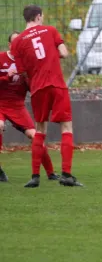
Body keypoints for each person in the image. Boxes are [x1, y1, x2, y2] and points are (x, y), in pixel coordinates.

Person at [10, 5, 81, 187]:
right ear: (39, 16)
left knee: (40, 130)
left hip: (37, 89)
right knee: (66, 127)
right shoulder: (50, 30)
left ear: (26, 19)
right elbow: (64, 52)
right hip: (56, 84)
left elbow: (22, 71)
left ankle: (35, 177)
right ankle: (66, 174)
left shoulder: (17, 42)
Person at [0, 31, 59, 182]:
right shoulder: (1, 58)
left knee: (35, 135)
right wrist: (7, 77)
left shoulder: (27, 62)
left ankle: (51, 173)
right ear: (9, 45)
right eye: (14, 43)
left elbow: (33, 87)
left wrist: (28, 78)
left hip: (17, 106)